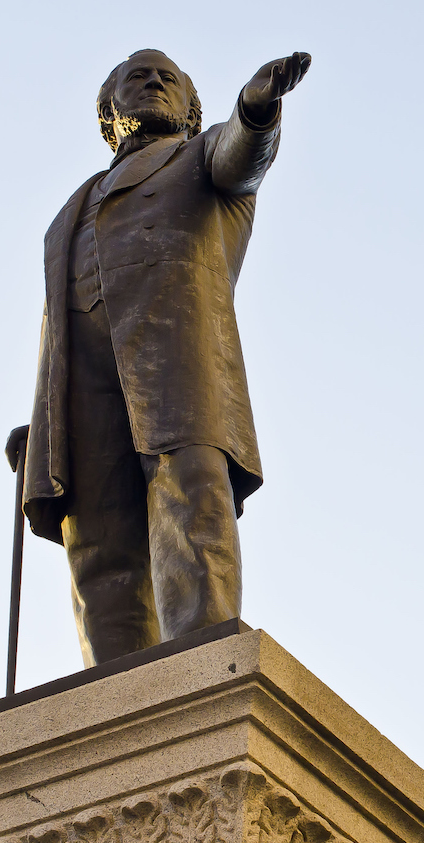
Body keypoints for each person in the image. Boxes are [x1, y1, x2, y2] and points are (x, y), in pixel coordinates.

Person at [15, 48, 310, 665]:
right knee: (95, 540)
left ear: (189, 107)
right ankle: (115, 688)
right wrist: (43, 420)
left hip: (176, 363)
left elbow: (241, 155)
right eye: (137, 76)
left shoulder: (200, 158)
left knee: (189, 499)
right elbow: (56, 327)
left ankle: (201, 670)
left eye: (166, 78)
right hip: (83, 387)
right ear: (110, 109)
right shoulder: (68, 213)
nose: (152, 82)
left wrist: (256, 111)